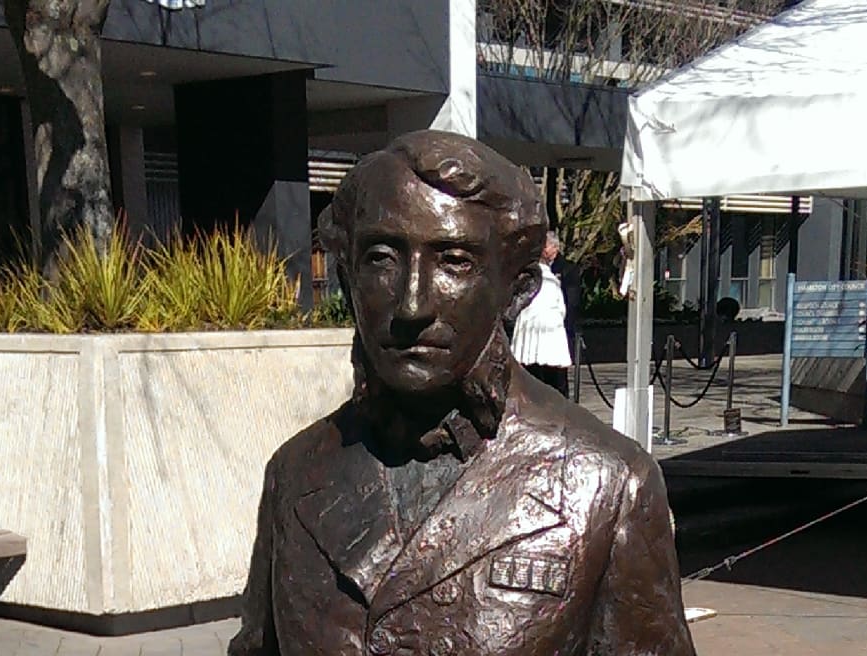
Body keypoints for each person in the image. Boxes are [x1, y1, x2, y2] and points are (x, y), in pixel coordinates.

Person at [228, 130, 695, 656]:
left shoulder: (607, 485)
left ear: (516, 288)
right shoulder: (295, 473)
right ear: (346, 274)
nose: (412, 305)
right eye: (381, 257)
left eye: (453, 261)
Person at [511, 234, 573, 396]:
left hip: (532, 336)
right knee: (553, 384)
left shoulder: (526, 279)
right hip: (548, 337)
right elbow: (561, 309)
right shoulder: (549, 281)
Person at [547, 232, 583, 392]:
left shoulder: (568, 269)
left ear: (554, 248)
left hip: (559, 328)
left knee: (558, 376)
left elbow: (572, 301)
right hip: (540, 329)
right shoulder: (535, 268)